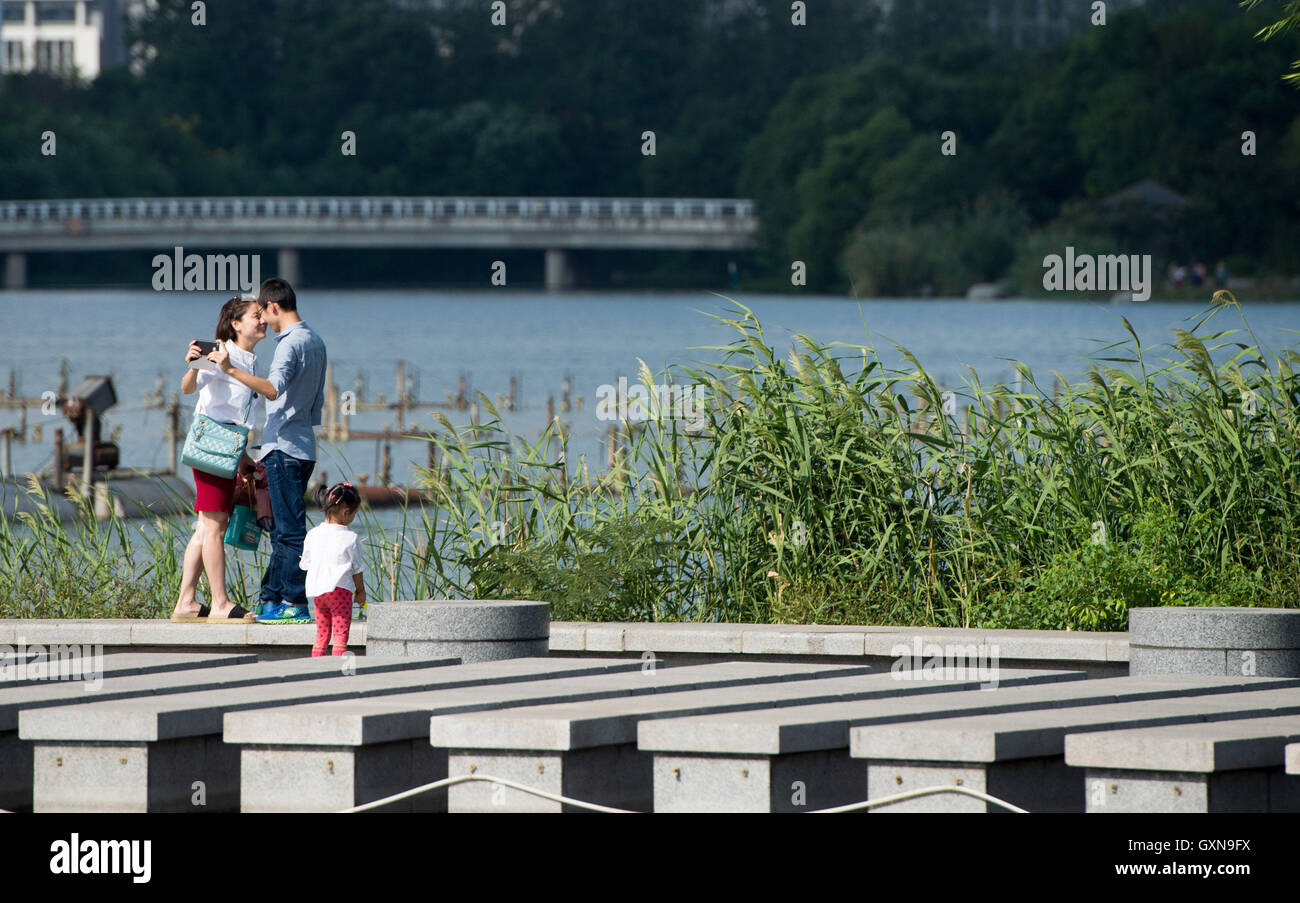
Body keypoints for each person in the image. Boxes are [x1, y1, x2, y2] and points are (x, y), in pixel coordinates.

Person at [211, 277, 327, 624]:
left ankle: (294, 601)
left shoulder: (288, 345)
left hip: (283, 448)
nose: (264, 320)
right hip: (304, 446)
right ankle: (271, 599)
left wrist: (229, 369)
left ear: (274, 306)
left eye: (263, 312)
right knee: (279, 530)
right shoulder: (316, 341)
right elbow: (317, 403)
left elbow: (273, 390)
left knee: (289, 533)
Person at [171, 295, 266, 622]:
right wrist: (193, 366)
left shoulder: (248, 358)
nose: (263, 319)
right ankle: (221, 602)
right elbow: (187, 389)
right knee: (215, 525)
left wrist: (241, 459)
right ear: (236, 323)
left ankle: (186, 601)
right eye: (257, 315)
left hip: (230, 446)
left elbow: (239, 412)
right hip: (213, 445)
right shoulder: (222, 351)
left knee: (205, 528)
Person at [300, 482, 365, 656]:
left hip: (318, 593)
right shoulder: (350, 537)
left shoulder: (312, 534)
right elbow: (357, 569)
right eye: (354, 514)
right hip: (340, 592)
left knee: (322, 634)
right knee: (340, 634)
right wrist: (360, 592)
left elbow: (305, 564)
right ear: (345, 512)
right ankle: (336, 668)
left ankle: (316, 665)